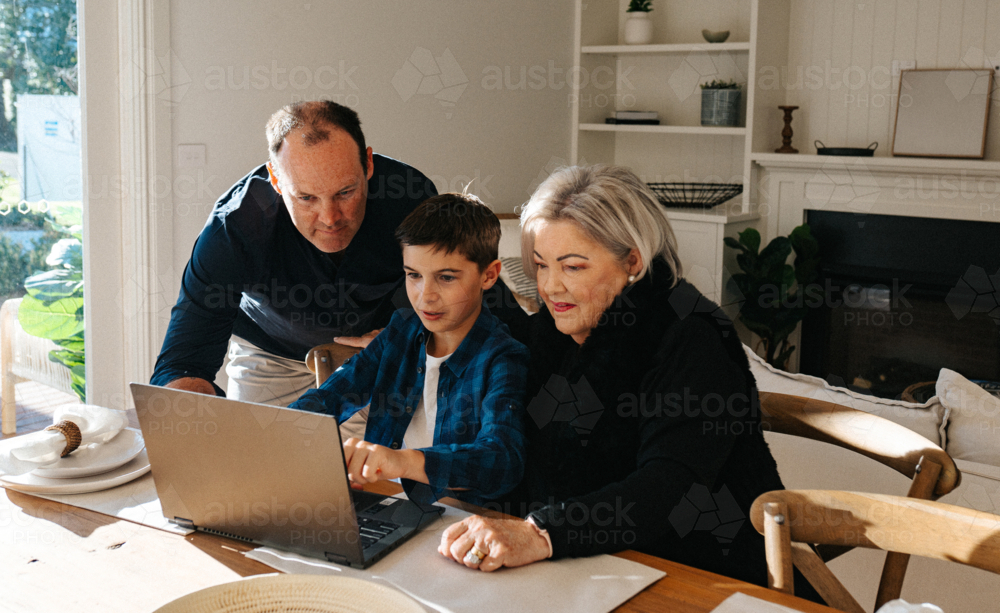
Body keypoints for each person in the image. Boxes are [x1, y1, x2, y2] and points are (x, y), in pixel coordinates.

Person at [436, 164, 789, 589]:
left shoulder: (693, 334)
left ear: (633, 262)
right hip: (583, 571)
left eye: (573, 267)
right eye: (541, 265)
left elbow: (666, 489)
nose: (549, 287)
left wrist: (540, 533)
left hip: (701, 578)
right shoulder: (554, 331)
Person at [150, 101, 437, 409]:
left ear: (367, 164)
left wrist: (411, 335)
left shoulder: (413, 199)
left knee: (380, 454)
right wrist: (186, 396)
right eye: (306, 197)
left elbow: (466, 304)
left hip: (375, 350)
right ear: (275, 178)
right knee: (258, 454)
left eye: (345, 192)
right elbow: (184, 359)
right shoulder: (234, 228)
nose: (330, 218)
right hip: (269, 354)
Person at [289, 193, 529, 507]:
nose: (425, 297)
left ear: (488, 275)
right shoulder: (401, 330)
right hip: (386, 504)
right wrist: (278, 429)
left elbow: (501, 461)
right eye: (413, 275)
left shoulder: (502, 357)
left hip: (461, 522)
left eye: (445, 277)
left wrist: (403, 461)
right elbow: (332, 396)